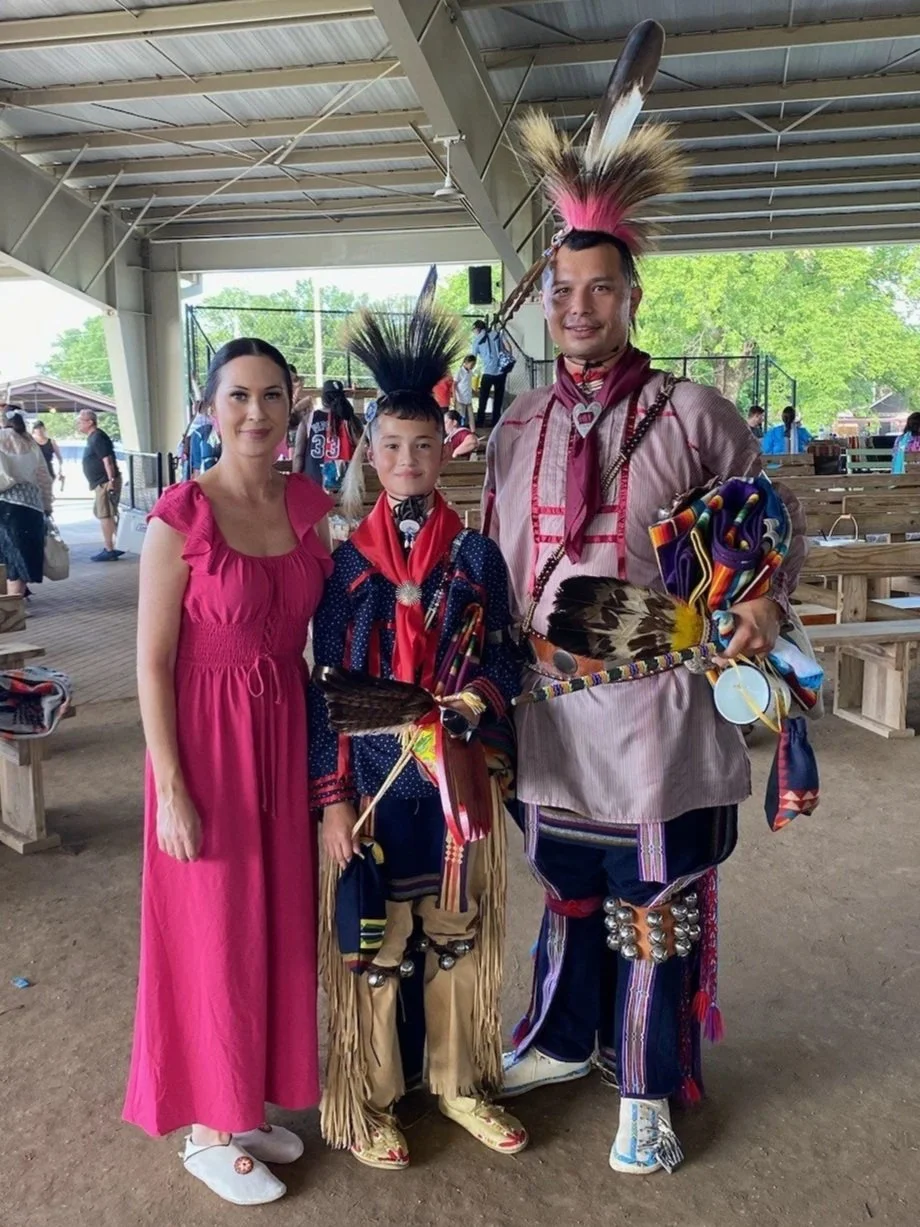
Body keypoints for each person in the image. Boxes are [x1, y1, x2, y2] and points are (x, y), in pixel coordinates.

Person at [484, 81, 806, 1175]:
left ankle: (644, 1086)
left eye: (597, 289)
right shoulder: (515, 426)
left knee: (653, 909)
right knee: (570, 893)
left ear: (630, 296)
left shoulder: (695, 415)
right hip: (549, 713)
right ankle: (564, 1038)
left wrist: (760, 596)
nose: (575, 306)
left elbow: (763, 532)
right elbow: (495, 564)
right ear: (540, 298)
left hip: (661, 711)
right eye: (559, 289)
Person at [309, 304, 527, 1170]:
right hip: (371, 787)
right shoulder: (344, 568)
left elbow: (508, 658)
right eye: (393, 446)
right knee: (376, 944)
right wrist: (332, 803)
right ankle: (369, 1097)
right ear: (371, 452)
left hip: (454, 785)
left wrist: (473, 701)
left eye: (424, 447)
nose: (408, 462)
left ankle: (460, 1079)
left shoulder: (476, 559)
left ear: (448, 451)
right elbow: (325, 692)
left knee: (455, 929)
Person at [123, 338, 333, 1206]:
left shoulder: (310, 507)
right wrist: (171, 784)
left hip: (284, 735)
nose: (256, 412)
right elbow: (149, 662)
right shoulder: (181, 518)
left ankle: (240, 1102)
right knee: (211, 927)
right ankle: (207, 1131)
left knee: (272, 923)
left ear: (292, 409)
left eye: (272, 397)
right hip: (205, 745)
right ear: (211, 409)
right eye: (238, 397)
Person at [0, 411, 53, 597]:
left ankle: (8, 607)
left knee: (4, 560)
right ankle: (16, 606)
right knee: (20, 561)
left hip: (4, 502)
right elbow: (43, 476)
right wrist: (47, 505)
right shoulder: (30, 442)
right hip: (30, 507)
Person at [294, 379, 362, 492]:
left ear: (323, 398)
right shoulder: (350, 420)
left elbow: (298, 456)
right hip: (344, 486)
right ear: (342, 396)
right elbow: (362, 449)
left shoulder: (308, 419)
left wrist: (295, 481)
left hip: (313, 485)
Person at [76, 409, 124, 561]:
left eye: (80, 421)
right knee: (105, 514)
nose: (78, 424)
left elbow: (107, 460)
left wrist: (111, 481)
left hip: (104, 482)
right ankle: (124, 542)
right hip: (100, 482)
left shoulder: (97, 437)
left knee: (106, 515)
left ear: (90, 422)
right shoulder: (92, 438)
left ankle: (109, 548)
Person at [471, 320, 511, 426]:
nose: (474, 332)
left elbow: (472, 357)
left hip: (488, 373)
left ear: (477, 329)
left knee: (483, 398)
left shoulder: (477, 340)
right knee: (498, 399)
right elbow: (508, 347)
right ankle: (495, 422)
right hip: (501, 372)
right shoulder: (496, 334)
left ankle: (480, 421)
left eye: (474, 330)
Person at [31, 420, 65, 492]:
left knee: (47, 491)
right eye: (37, 428)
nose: (39, 430)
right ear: (34, 430)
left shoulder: (51, 441)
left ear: (44, 429)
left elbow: (59, 458)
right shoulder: (30, 441)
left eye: (41, 428)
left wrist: (60, 470)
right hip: (34, 468)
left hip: (47, 468)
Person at [454, 354, 476, 424]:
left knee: (471, 416)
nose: (473, 366)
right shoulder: (459, 372)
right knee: (461, 416)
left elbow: (467, 384)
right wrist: (454, 397)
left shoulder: (470, 372)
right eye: (472, 364)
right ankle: (460, 430)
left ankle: (473, 431)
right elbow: (454, 384)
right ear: (466, 363)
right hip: (460, 398)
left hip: (468, 397)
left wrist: (473, 391)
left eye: (474, 365)